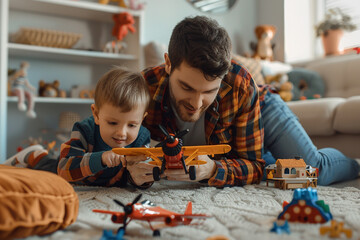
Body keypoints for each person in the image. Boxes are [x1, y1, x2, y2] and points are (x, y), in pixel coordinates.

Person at [135, 15, 359, 187]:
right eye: (186, 87)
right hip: (238, 142)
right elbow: (115, 148)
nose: (196, 103)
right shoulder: (143, 88)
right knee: (275, 169)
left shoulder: (240, 85)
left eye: (209, 91)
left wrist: (214, 169)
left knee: (311, 171)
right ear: (168, 64)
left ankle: (356, 163)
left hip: (262, 106)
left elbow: (253, 165)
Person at [4, 67, 154, 188]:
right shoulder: (84, 130)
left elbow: (138, 178)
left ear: (142, 119)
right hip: (69, 173)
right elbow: (64, 169)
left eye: (132, 125)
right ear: (96, 114)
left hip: (106, 182)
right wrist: (101, 158)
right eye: (113, 123)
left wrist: (141, 177)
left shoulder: (142, 137)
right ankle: (34, 155)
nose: (122, 133)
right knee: (48, 171)